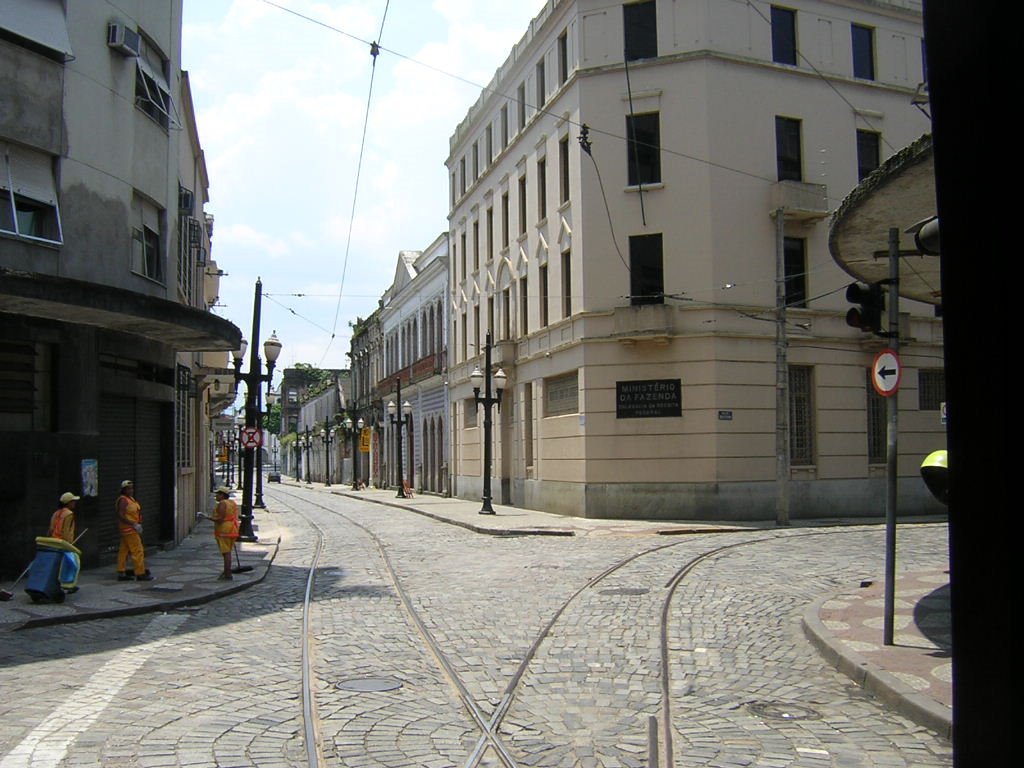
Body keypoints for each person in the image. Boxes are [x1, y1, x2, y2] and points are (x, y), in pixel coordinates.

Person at [116, 480, 153, 581]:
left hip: (130, 529)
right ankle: (140, 573)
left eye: (132, 488)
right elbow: (121, 515)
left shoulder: (130, 499)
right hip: (129, 529)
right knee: (138, 550)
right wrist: (134, 524)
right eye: (128, 489)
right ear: (123, 490)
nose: (131, 490)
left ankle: (121, 572)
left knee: (124, 550)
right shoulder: (123, 500)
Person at [210, 486, 239, 580]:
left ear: (222, 495)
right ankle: (227, 572)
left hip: (224, 530)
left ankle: (227, 573)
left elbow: (220, 519)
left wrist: (207, 517)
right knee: (228, 552)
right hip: (232, 528)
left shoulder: (222, 503)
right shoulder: (232, 503)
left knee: (226, 553)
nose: (216, 496)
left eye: (217, 494)